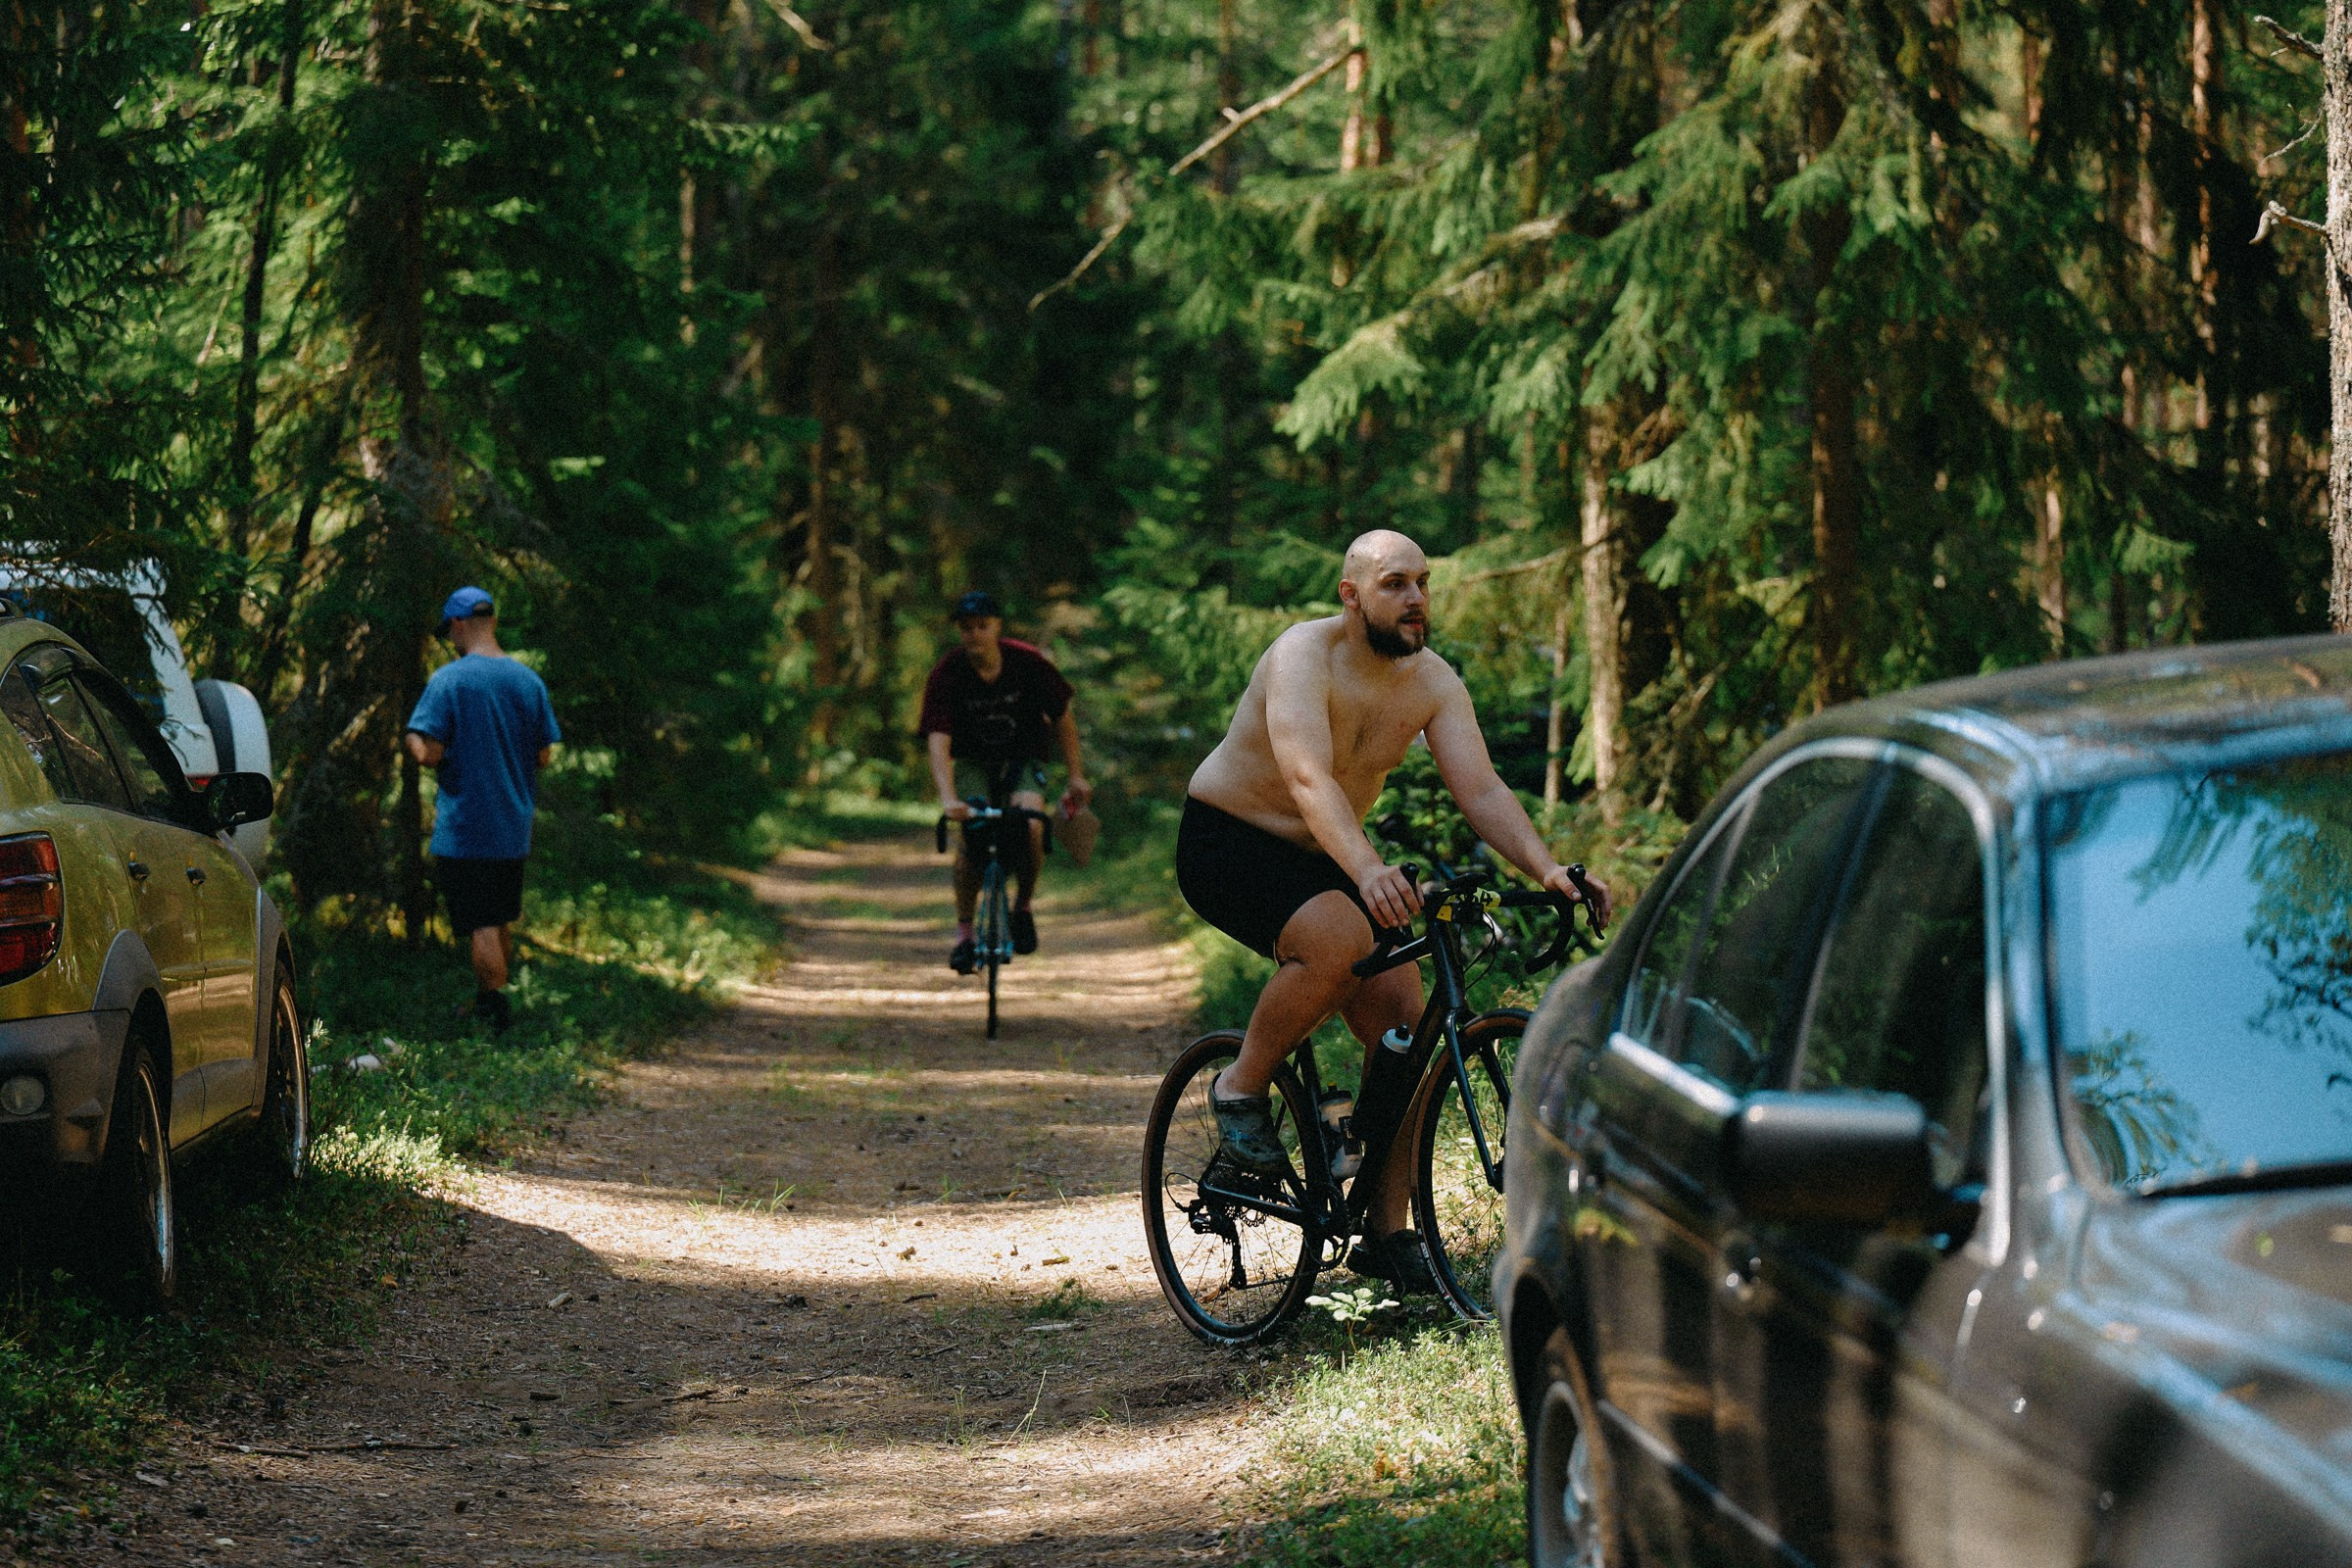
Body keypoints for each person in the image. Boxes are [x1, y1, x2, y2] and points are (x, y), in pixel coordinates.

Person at [1176, 529, 1609, 1291]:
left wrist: (1546, 870)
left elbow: (1481, 791)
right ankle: (1240, 1085)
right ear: (1351, 596)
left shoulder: (1432, 681)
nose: (1414, 599)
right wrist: (1370, 869)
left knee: (1404, 1026)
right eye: (1394, 584)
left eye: (1423, 583)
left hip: (1327, 850)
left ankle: (1385, 1230)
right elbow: (1308, 779)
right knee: (1341, 939)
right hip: (1229, 839)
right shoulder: (1301, 657)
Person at [403, 587, 561, 1032]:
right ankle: (493, 998)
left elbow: (430, 752)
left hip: (467, 825)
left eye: (448, 631)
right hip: (513, 825)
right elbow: (545, 755)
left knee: (481, 922)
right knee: (499, 916)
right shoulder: (529, 682)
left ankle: (494, 1014)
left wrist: (412, 740)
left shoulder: (448, 681)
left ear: (458, 624)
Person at [918, 591, 1092, 974]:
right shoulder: (948, 674)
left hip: (1023, 757)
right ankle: (965, 934)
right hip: (974, 761)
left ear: (997, 627)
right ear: (959, 632)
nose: (975, 635)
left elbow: (1062, 716)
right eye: (967, 628)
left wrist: (1076, 774)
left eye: (982, 626)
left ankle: (1023, 907)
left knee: (1029, 824)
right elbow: (938, 737)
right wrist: (948, 798)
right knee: (972, 839)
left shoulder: (1027, 663)